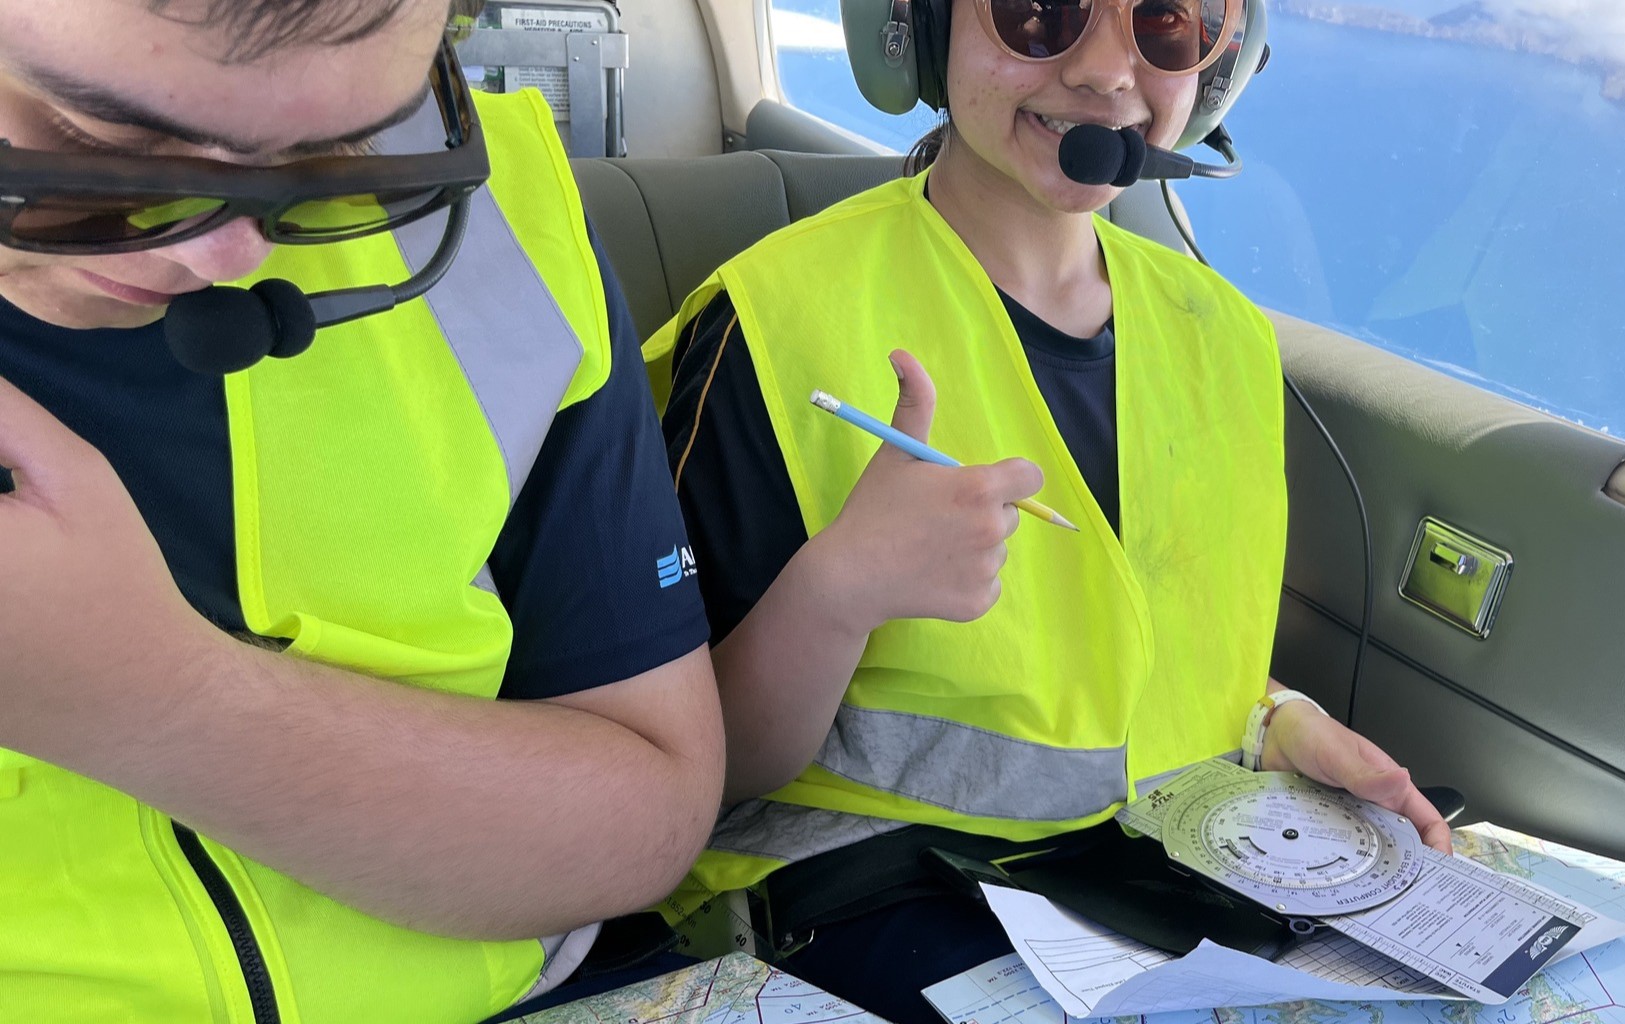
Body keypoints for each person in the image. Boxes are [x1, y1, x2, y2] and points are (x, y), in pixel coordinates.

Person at [654, 0, 1452, 1015]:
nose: (1107, 73)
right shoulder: (774, 322)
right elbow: (694, 769)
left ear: (1220, 64)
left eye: (1166, 24)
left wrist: (1272, 722)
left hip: (1152, 875)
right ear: (913, 28)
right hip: (864, 890)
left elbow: (1117, 636)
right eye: (1039, 14)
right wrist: (838, 590)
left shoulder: (1222, 336)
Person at [0, 1, 725, 1021]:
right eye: (93, 145)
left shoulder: (500, 217)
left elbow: (651, 810)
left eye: (332, 152)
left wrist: (162, 706)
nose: (230, 260)